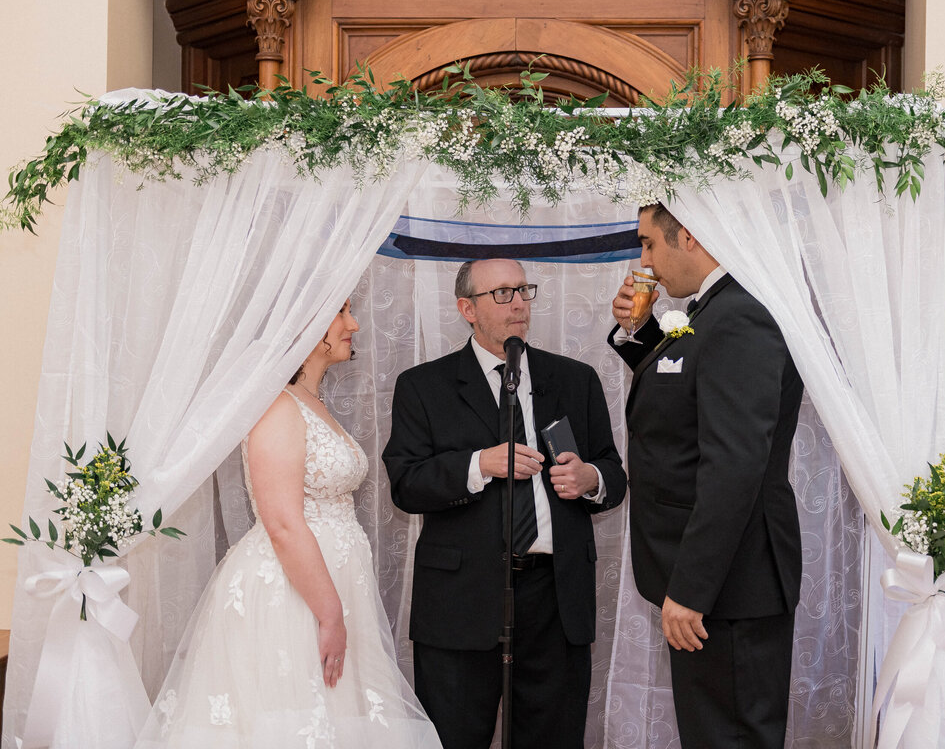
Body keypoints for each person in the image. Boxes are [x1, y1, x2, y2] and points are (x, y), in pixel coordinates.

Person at [137, 300, 441, 749]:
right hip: (293, 592)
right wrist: (330, 614)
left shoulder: (309, 401)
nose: (354, 324)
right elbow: (281, 521)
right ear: (307, 323)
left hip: (328, 583)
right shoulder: (277, 406)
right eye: (342, 312)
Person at [383, 258, 627, 749]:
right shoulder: (423, 385)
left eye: (522, 290)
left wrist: (590, 478)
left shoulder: (575, 379)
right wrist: (480, 464)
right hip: (461, 600)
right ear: (466, 309)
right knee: (453, 737)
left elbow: (614, 474)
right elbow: (406, 484)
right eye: (501, 294)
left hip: (555, 599)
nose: (518, 303)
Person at [608, 203, 804, 749]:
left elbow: (734, 464)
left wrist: (691, 589)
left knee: (730, 738)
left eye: (649, 242)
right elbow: (683, 392)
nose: (645, 260)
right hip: (720, 583)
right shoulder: (717, 308)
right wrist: (640, 332)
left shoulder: (740, 315)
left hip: (730, 585)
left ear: (689, 235)